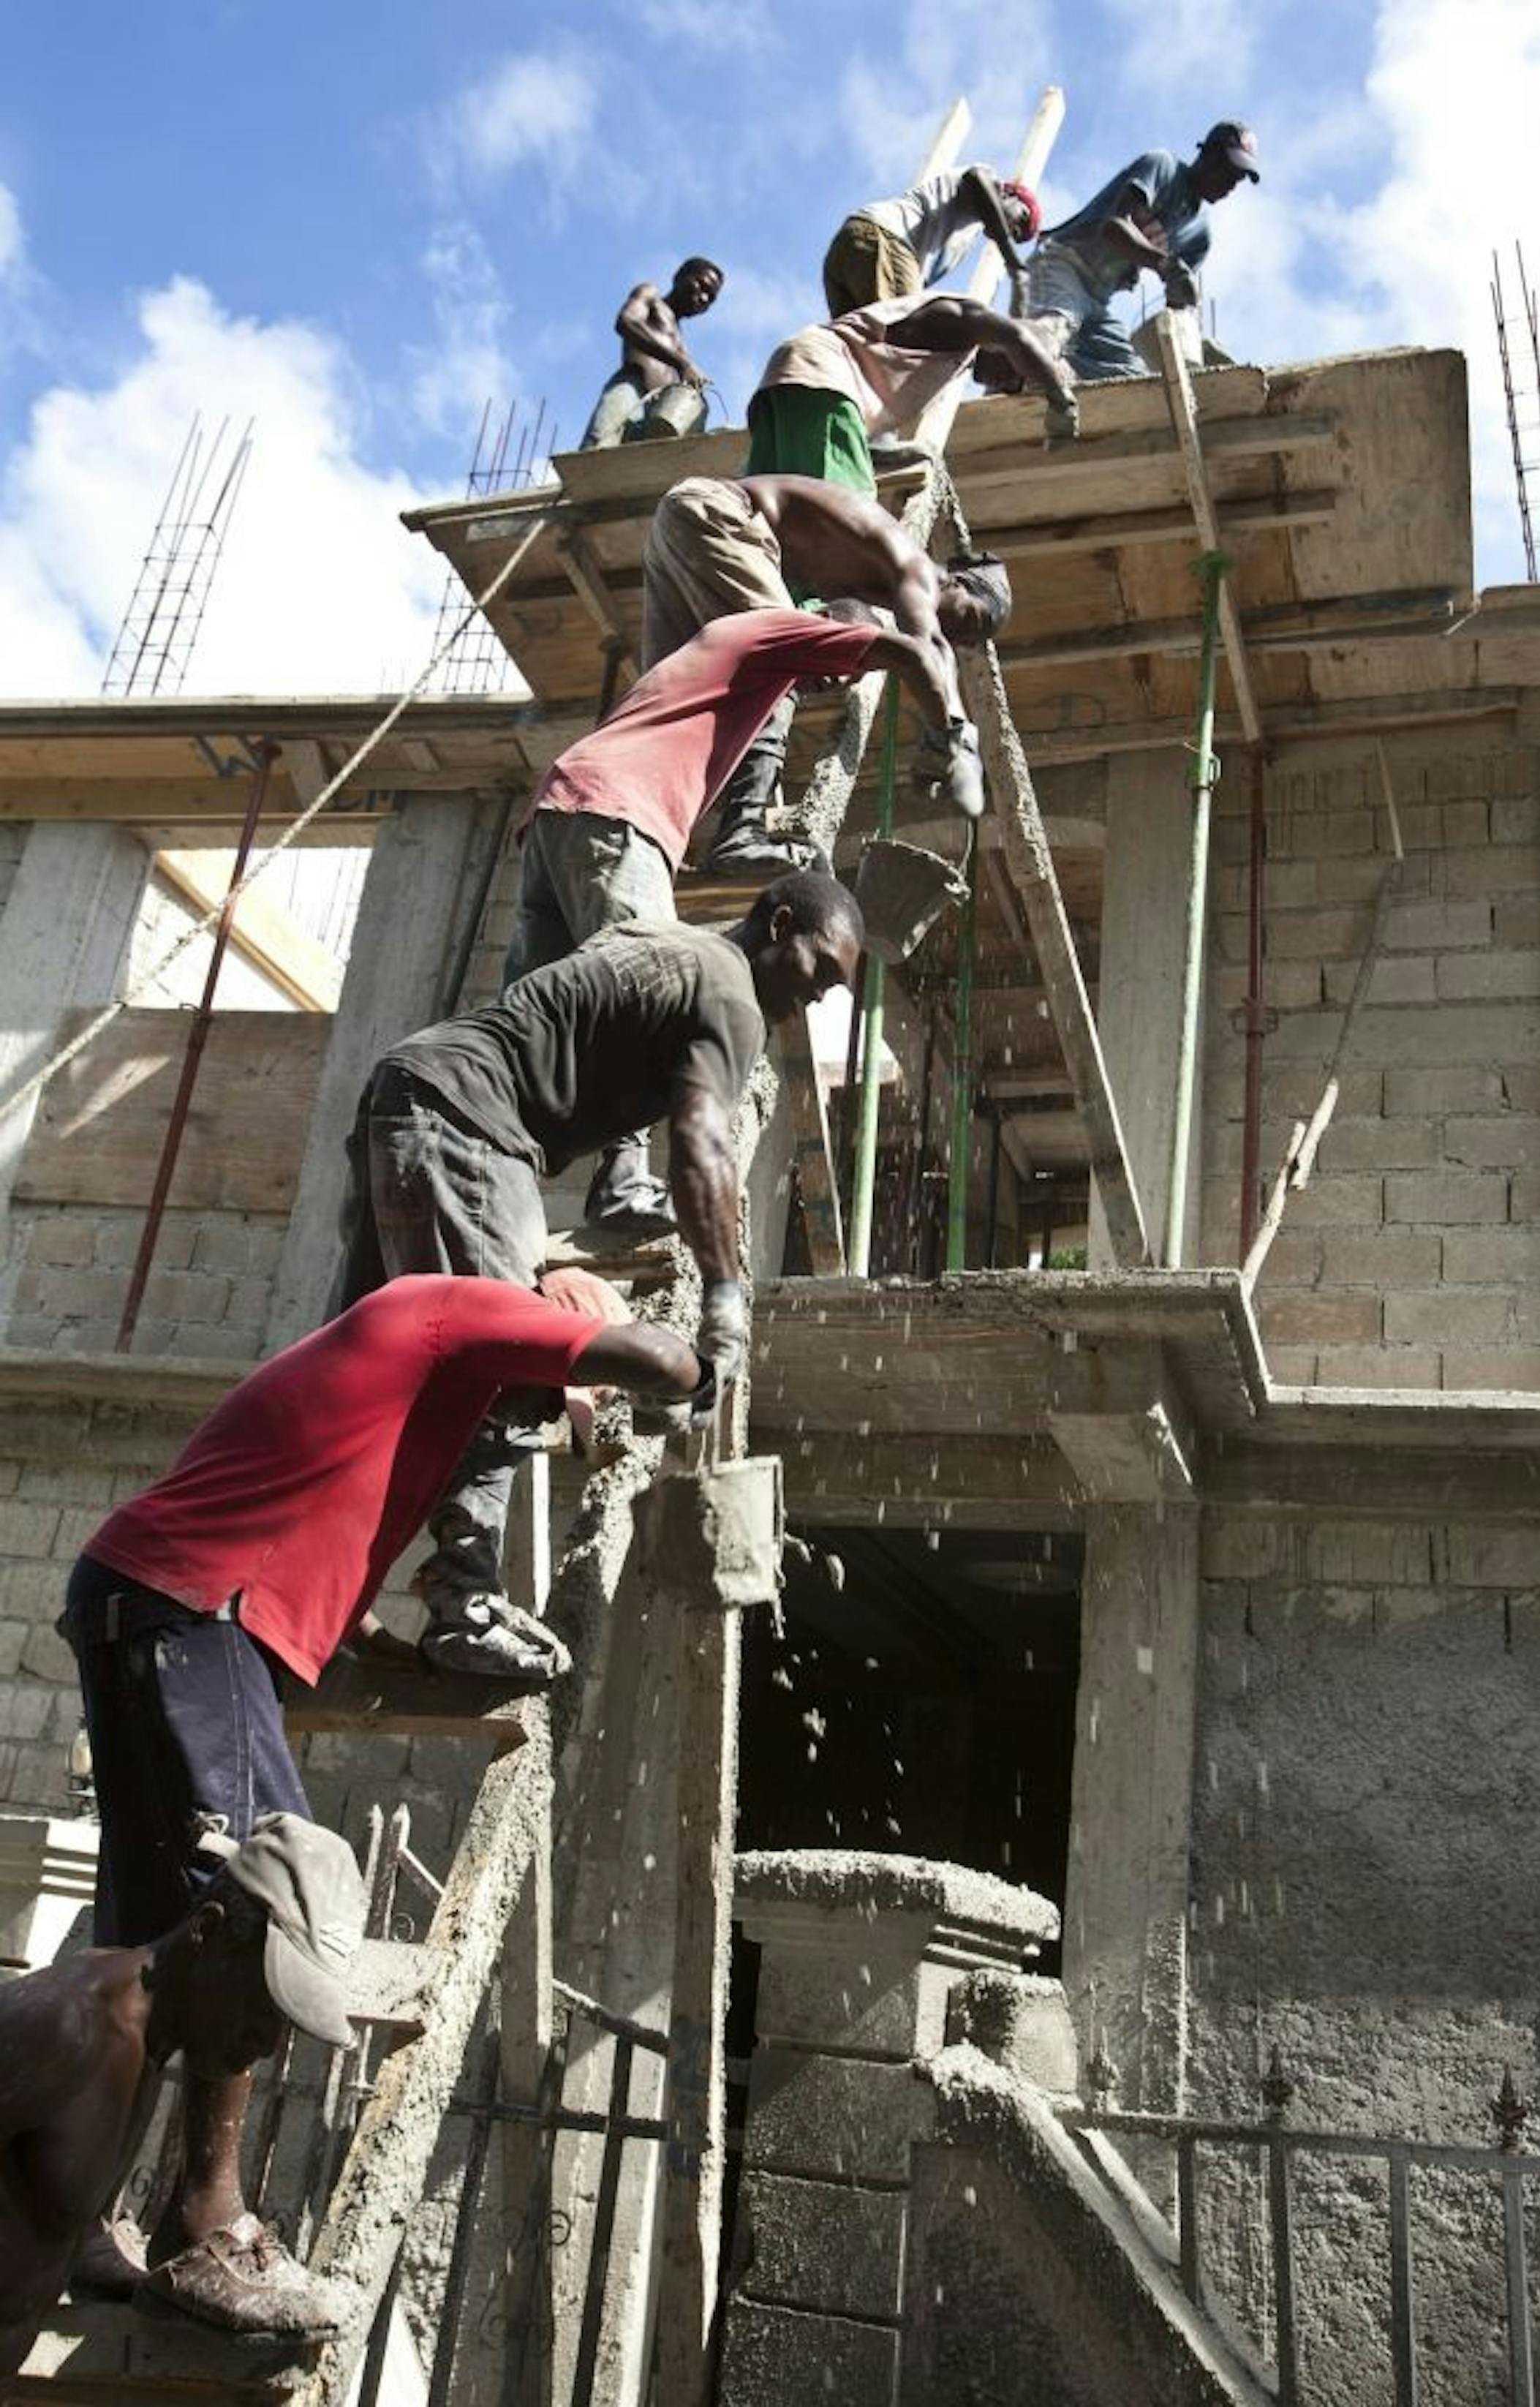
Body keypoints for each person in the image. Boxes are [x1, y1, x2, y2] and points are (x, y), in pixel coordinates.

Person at [53, 1271, 696, 2332]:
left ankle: (69, 2210)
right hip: (189, 1612)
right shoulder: (450, 1309)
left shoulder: (407, 1400)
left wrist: (385, 1650)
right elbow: (661, 1361)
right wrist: (701, 1353)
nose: (538, 1418)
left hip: (154, 1599)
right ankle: (204, 2232)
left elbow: (304, 1543)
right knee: (265, 1908)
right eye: (552, 1394)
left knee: (146, 1947)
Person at [337, 871, 866, 1669]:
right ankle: (464, 1602)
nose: (821, 997)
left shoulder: (666, 943)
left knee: (362, 1380)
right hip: (471, 1124)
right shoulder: (734, 995)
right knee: (504, 1366)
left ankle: (316, 1599)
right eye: (821, 970)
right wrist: (724, 1300)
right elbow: (701, 1143)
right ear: (779, 924)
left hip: (410, 1093)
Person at [504, 605, 961, 1227]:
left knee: (537, 1020)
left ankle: (499, 1176)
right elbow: (913, 654)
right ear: (825, 628)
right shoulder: (773, 630)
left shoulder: (727, 670)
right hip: (616, 815)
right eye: (839, 669)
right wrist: (947, 739)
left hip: (559, 815)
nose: (835, 684)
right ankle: (622, 1183)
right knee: (648, 990)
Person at [0, 1814, 367, 2363]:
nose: (266, 2044)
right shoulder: (67, 2024)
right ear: (207, 1930)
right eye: (262, 2004)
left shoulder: (141, 2045)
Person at [642, 472, 1008, 882]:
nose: (958, 633)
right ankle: (740, 832)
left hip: (681, 517)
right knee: (775, 662)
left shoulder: (866, 578)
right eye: (970, 617)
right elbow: (930, 647)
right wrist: (951, 736)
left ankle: (643, 839)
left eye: (969, 638)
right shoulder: (917, 567)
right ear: (957, 582)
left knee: (667, 692)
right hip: (719, 512)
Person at [745, 292, 1080, 494]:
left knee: (772, 508)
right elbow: (1017, 338)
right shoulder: (963, 317)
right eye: (1018, 372)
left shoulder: (942, 366)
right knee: (843, 512)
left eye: (1014, 387)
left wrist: (881, 452)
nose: (1006, 383)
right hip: (822, 379)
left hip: (794, 382)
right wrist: (1060, 400)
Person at [1026, 122, 1260, 384]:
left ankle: (1043, 375)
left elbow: (1176, 307)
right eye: (1228, 172)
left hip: (1097, 299)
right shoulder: (1164, 168)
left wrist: (1191, 332)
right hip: (1064, 262)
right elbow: (1113, 227)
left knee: (1131, 379)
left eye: (1238, 180)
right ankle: (994, 350)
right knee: (1054, 329)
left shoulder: (1199, 237)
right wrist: (1167, 266)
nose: (1231, 185)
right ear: (1209, 155)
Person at [823, 166, 1041, 317]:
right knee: (903, 337)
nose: (1012, 230)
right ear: (1010, 194)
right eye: (1021, 219)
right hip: (886, 237)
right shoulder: (987, 178)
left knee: (854, 350)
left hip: (854, 244)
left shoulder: (960, 237)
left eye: (1016, 235)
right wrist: (1012, 260)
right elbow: (975, 178)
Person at [581, 258, 724, 448]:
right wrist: (682, 363)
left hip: (659, 412)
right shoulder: (650, 296)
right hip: (632, 389)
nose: (703, 298)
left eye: (710, 298)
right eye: (701, 285)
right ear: (680, 277)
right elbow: (627, 322)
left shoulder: (680, 340)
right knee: (598, 448)